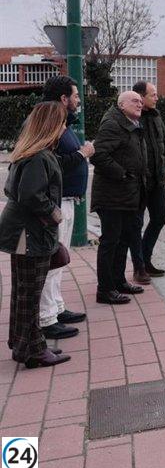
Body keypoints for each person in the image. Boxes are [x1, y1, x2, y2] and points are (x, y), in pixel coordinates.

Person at [0, 102, 72, 368]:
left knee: (22, 292)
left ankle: (22, 344)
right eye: (62, 122)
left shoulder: (29, 152)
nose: (65, 128)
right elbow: (31, 195)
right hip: (30, 233)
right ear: (51, 124)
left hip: (21, 231)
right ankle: (33, 349)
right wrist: (54, 212)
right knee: (29, 294)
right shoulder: (39, 156)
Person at [38, 75, 95, 340]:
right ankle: (47, 318)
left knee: (59, 260)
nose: (78, 99)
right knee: (52, 261)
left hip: (66, 200)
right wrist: (82, 154)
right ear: (63, 99)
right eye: (75, 95)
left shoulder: (61, 123)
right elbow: (51, 164)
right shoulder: (49, 125)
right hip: (56, 204)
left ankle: (57, 308)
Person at [90, 91, 149, 305]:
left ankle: (118, 281)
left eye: (141, 102)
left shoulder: (130, 123)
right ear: (121, 104)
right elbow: (98, 154)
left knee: (123, 240)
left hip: (127, 194)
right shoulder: (112, 123)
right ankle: (104, 289)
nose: (140, 104)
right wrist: (122, 173)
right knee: (110, 242)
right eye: (135, 101)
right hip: (112, 195)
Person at [128, 81, 165, 284]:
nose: (157, 98)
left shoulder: (156, 116)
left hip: (157, 179)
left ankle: (145, 259)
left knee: (159, 217)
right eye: (153, 94)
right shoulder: (133, 118)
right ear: (141, 97)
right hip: (140, 181)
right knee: (136, 223)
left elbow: (164, 142)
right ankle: (139, 267)